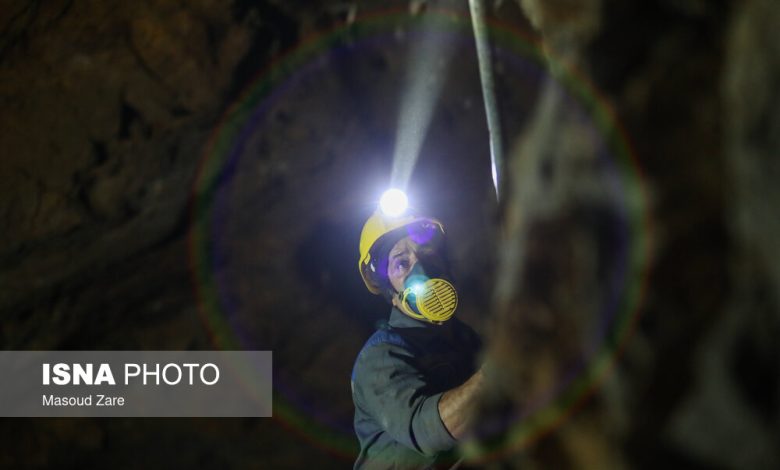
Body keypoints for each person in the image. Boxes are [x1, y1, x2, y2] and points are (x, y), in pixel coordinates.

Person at [351, 210, 484, 469]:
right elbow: (429, 432)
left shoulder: (464, 338)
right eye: (402, 263)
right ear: (390, 291)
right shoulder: (380, 357)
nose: (422, 269)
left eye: (426, 253)